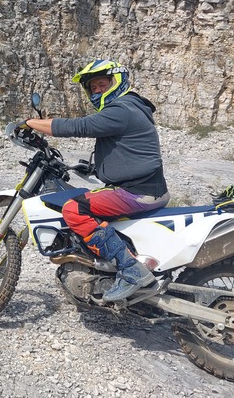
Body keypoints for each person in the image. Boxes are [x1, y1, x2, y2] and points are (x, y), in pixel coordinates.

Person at [22, 59, 169, 301]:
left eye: (103, 84)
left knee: (74, 209)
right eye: (93, 87)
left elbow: (79, 126)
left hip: (138, 192)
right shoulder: (132, 107)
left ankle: (130, 270)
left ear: (116, 81)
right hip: (147, 187)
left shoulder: (122, 109)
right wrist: (94, 169)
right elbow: (128, 152)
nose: (98, 90)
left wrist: (30, 123)